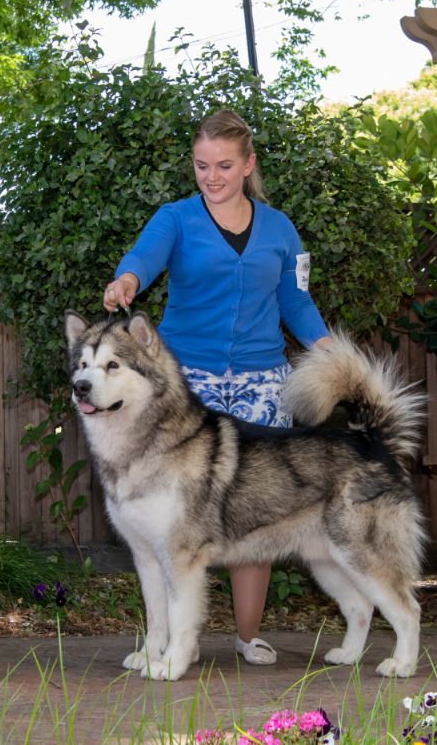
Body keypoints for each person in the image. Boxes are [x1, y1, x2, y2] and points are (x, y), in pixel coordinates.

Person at [102, 109, 331, 666]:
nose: (212, 176)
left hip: (263, 382)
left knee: (253, 511)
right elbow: (143, 260)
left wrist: (325, 347)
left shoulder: (279, 227)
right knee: (171, 519)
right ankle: (173, 638)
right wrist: (127, 279)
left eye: (224, 165)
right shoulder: (175, 218)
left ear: (248, 164)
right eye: (202, 165)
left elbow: (294, 301)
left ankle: (248, 634)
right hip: (187, 387)